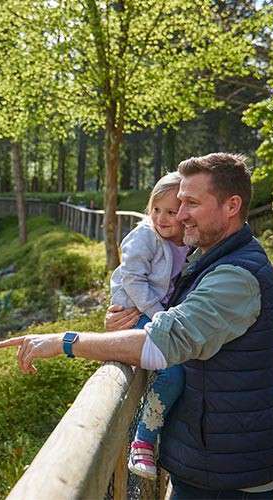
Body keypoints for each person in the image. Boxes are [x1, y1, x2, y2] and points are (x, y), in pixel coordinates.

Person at [0, 153, 273, 499]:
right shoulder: (211, 258)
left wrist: (66, 341)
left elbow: (162, 343)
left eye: (191, 203)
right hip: (209, 460)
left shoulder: (235, 276)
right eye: (178, 203)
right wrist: (127, 316)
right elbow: (170, 316)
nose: (180, 215)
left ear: (231, 206)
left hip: (228, 476)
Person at [108, 172, 191, 479]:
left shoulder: (186, 243)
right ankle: (142, 440)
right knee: (172, 370)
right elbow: (132, 278)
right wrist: (159, 315)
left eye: (171, 212)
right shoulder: (146, 236)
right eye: (156, 209)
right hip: (136, 309)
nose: (162, 218)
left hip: (157, 313)